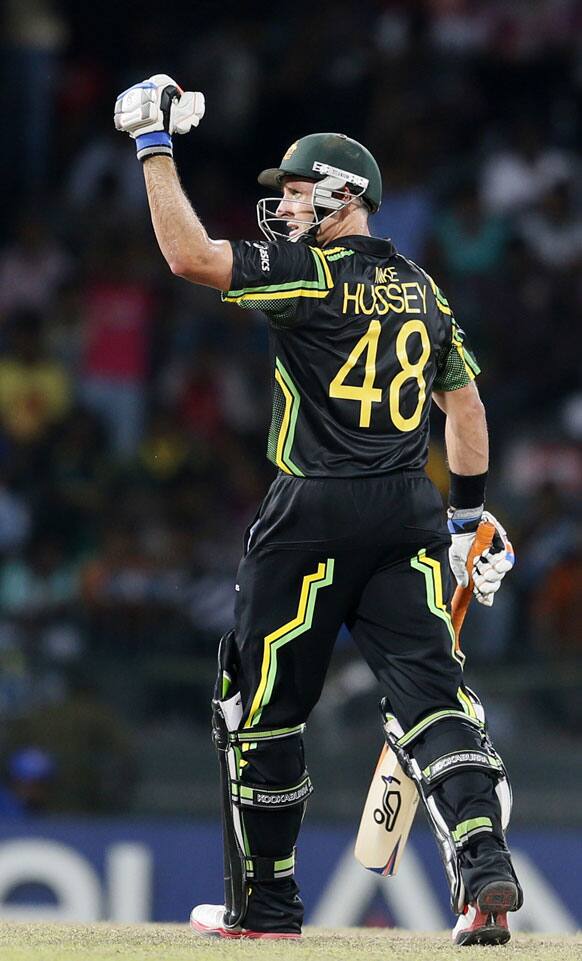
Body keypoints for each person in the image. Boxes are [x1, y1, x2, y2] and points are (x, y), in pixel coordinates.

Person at [114, 75, 522, 946]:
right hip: (411, 510)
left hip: (312, 509)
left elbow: (190, 258)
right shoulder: (422, 287)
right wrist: (466, 521)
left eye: (299, 192)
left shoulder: (310, 274)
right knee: (432, 697)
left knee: (258, 707)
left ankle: (263, 909)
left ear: (346, 195)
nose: (287, 207)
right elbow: (469, 411)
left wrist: (155, 147)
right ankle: (484, 859)